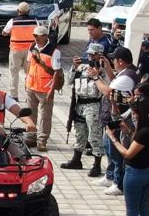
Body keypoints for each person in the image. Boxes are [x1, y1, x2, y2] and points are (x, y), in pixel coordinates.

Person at [106, 97, 149, 216]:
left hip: (135, 173)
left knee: (132, 213)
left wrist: (113, 139)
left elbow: (128, 154)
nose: (132, 116)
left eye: (134, 113)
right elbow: (139, 144)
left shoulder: (143, 131)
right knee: (144, 210)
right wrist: (127, 131)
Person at [93, 46, 138, 195]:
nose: (112, 62)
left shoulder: (128, 76)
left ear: (120, 61)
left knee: (115, 150)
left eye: (113, 60)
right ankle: (110, 175)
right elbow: (114, 83)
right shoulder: (125, 73)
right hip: (114, 117)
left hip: (121, 118)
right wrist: (107, 69)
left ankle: (118, 182)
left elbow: (108, 91)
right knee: (108, 146)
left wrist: (95, 77)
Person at [60, 43, 106, 176]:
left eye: (94, 54)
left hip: (94, 104)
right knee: (80, 132)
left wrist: (98, 75)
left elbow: (107, 87)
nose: (90, 56)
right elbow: (69, 81)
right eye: (89, 54)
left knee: (94, 134)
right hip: (79, 103)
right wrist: (74, 68)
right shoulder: (82, 68)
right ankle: (76, 160)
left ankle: (97, 164)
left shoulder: (103, 70)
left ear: (100, 55)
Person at [23, 26, 58, 151]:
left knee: (45, 116)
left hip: (45, 88)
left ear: (45, 36)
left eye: (38, 36)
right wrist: (26, 79)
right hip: (31, 86)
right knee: (30, 113)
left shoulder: (54, 51)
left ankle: (42, 140)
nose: (36, 38)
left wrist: (51, 90)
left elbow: (56, 72)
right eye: (34, 35)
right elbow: (28, 64)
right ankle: (31, 137)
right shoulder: (32, 47)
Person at [1, 2, 45, 99]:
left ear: (18, 11)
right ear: (28, 11)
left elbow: (4, 33)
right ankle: (29, 95)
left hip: (15, 50)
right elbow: (39, 33)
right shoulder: (35, 21)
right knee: (29, 73)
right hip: (30, 51)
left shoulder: (13, 21)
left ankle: (14, 95)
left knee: (14, 73)